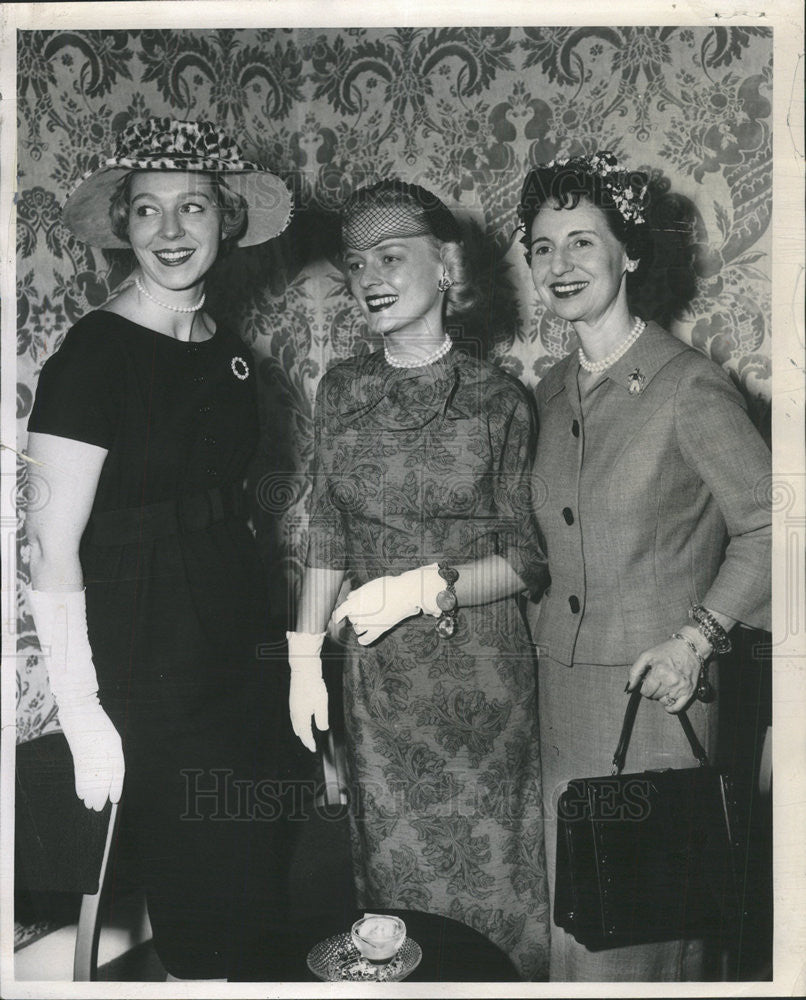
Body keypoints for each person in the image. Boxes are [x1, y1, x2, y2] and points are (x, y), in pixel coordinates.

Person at [24, 117, 294, 981]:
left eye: (193, 209)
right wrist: (79, 705)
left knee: (254, 856)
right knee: (195, 874)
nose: (171, 233)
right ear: (124, 225)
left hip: (232, 628)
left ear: (228, 222)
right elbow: (47, 542)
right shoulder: (93, 355)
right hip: (146, 641)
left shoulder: (231, 352)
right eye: (148, 210)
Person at [286, 180, 551, 980]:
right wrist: (302, 657)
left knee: (493, 886)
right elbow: (327, 527)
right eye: (357, 262)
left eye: (392, 257)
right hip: (380, 690)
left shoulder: (498, 400)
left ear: (445, 266)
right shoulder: (342, 391)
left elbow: (527, 560)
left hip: (483, 684)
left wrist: (416, 588)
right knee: (394, 897)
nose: (370, 277)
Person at [517, 151, 771, 981]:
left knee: (646, 935)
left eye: (583, 242)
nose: (561, 265)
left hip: (661, 698)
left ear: (627, 252)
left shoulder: (688, 387)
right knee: (579, 925)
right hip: (560, 695)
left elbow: (778, 526)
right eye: (543, 246)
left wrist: (697, 639)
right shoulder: (550, 391)